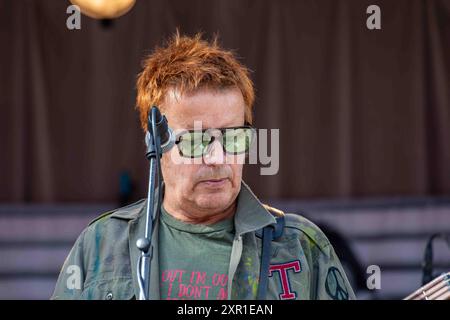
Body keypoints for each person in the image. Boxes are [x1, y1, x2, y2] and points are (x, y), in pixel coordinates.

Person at [51, 31, 356, 300]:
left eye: (233, 138)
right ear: (156, 143)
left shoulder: (301, 246)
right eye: (196, 141)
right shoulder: (100, 245)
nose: (217, 158)